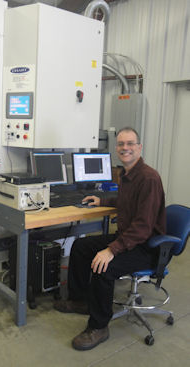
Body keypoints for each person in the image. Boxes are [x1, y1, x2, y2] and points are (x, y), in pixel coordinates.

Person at [54, 127, 166, 351]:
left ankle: (99, 326)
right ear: (116, 148)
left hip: (145, 247)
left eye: (130, 144)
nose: (125, 148)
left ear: (139, 147)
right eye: (121, 144)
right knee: (82, 245)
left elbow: (143, 228)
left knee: (103, 266)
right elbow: (127, 203)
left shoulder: (149, 178)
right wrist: (103, 201)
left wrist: (111, 250)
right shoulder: (126, 174)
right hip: (128, 239)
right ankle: (81, 299)